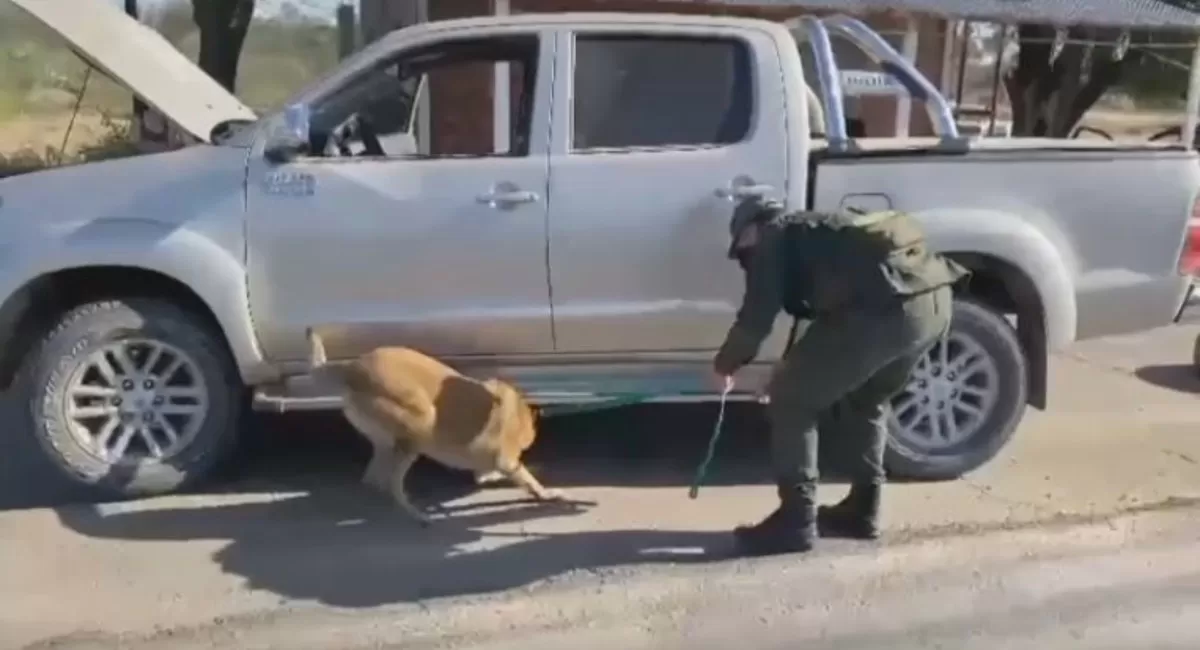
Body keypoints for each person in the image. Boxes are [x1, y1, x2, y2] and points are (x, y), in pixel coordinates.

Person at [713, 196, 970, 557]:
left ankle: (795, 522)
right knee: (866, 399)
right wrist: (788, 367)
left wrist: (725, 365)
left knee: (790, 403)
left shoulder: (773, 237)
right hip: (932, 303)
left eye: (741, 246)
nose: (744, 258)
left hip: (885, 311)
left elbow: (756, 318)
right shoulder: (821, 232)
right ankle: (863, 510)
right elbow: (822, 332)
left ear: (752, 228)